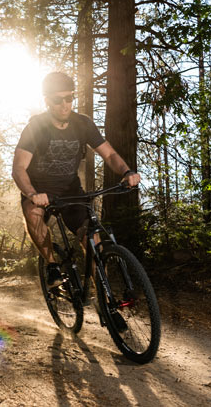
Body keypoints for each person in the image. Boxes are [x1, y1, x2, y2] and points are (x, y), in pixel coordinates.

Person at [12, 71, 140, 287]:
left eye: (69, 98)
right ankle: (51, 264)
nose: (64, 105)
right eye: (58, 100)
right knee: (33, 215)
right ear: (47, 101)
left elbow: (109, 154)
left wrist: (127, 172)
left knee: (92, 237)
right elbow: (19, 168)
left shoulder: (83, 124)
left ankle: (103, 294)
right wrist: (32, 194)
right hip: (40, 191)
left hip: (71, 190)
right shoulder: (36, 127)